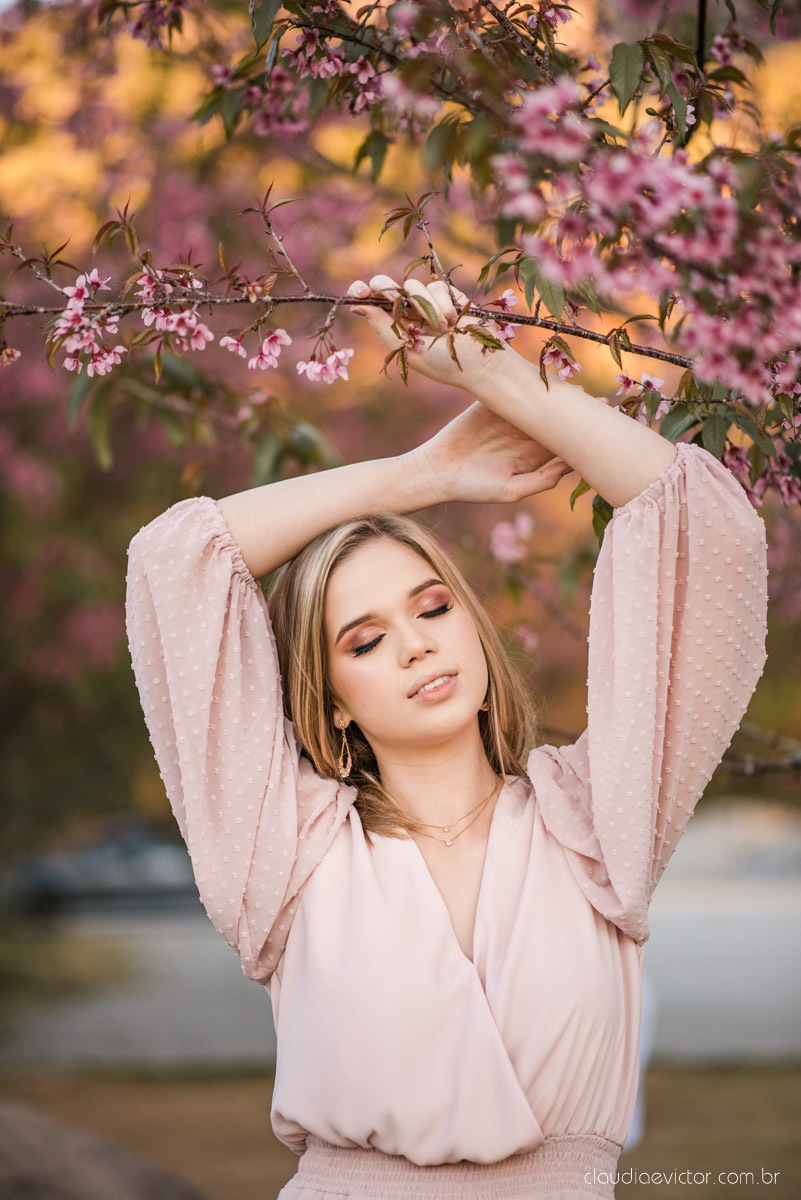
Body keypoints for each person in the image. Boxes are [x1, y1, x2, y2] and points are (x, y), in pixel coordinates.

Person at [125, 274, 768, 1200]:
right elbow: (173, 562)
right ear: (331, 701)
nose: (416, 644)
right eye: (364, 640)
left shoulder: (596, 822)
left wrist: (490, 371)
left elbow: (702, 526)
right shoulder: (286, 854)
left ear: (470, 624)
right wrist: (418, 477)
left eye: (431, 607)